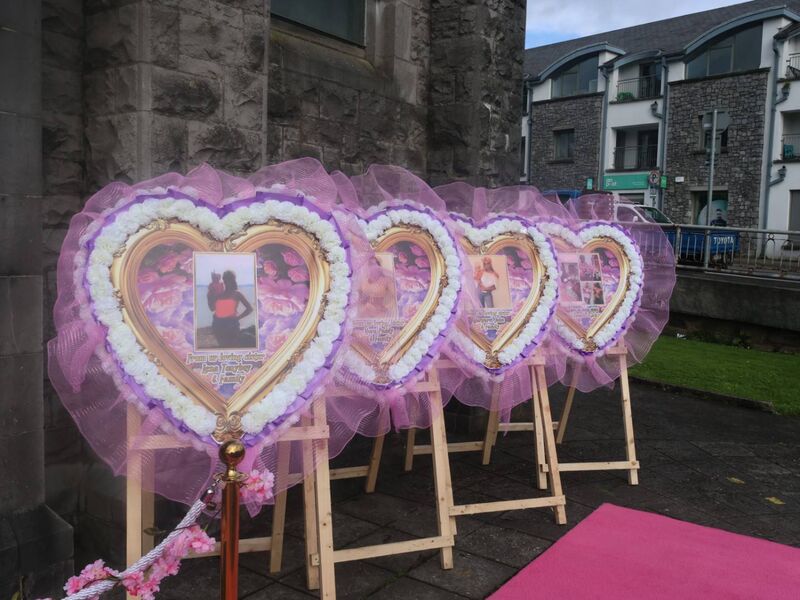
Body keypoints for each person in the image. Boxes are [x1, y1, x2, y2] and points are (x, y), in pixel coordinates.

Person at [210, 270, 254, 348]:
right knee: (223, 347)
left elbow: (250, 309)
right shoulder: (220, 294)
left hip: (231, 326)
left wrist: (238, 318)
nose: (226, 281)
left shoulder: (237, 293)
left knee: (232, 346)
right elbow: (212, 308)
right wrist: (211, 293)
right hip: (218, 325)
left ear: (233, 280)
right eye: (225, 279)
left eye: (228, 279)